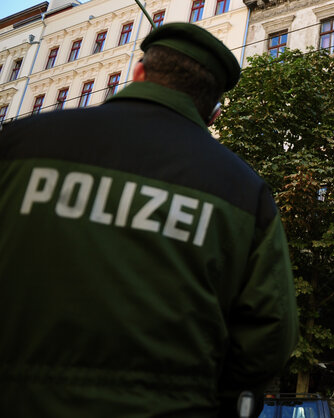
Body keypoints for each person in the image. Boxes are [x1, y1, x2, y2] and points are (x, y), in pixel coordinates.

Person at [0, 22, 299, 416]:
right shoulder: (244, 190)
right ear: (214, 112)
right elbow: (270, 332)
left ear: (138, 73)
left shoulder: (18, 144)